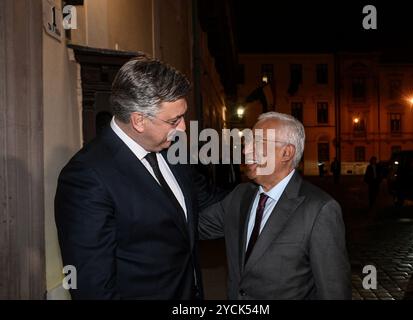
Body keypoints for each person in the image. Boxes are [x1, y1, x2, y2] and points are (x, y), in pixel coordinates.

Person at [55, 57, 213, 300]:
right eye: (173, 120)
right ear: (139, 120)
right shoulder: (86, 178)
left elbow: (206, 203)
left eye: (182, 117)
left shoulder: (173, 149)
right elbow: (93, 288)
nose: (182, 128)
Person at [199, 112, 352, 300]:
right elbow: (192, 226)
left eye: (256, 143)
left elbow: (334, 292)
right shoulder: (240, 196)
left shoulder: (320, 209)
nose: (246, 150)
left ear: (286, 153)